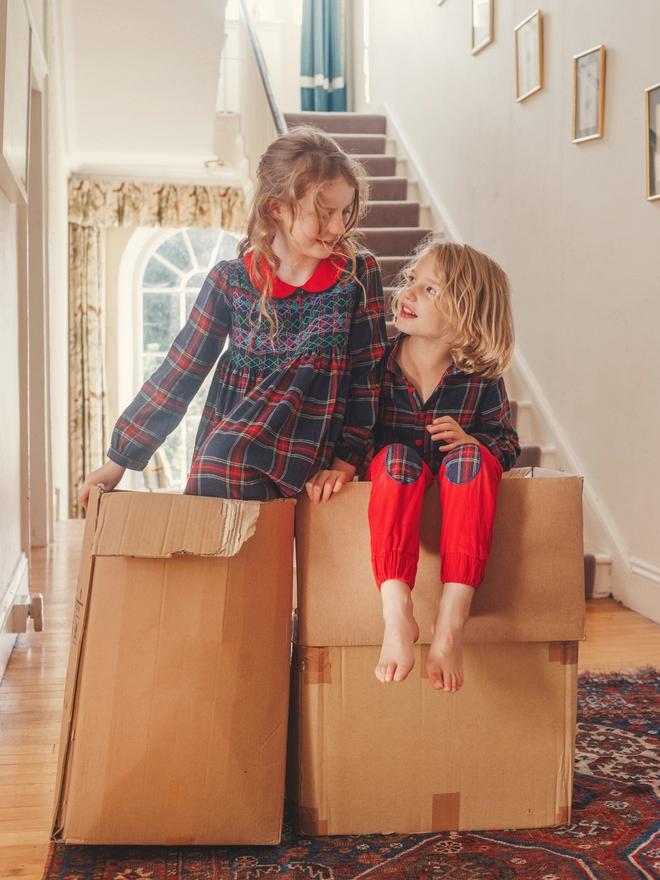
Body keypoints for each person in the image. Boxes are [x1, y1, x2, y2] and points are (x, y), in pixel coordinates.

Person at [78, 127, 387, 508]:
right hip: (235, 447)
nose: (339, 227)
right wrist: (119, 460)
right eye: (324, 214)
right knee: (219, 474)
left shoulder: (356, 275)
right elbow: (181, 370)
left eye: (345, 212)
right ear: (276, 208)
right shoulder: (231, 280)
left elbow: (368, 375)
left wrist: (347, 459)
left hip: (315, 444)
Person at [365, 237, 519, 693]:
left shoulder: (482, 380)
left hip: (459, 489)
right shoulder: (377, 365)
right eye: (412, 280)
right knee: (394, 458)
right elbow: (354, 433)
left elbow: (507, 444)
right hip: (398, 486)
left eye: (430, 290)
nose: (407, 292)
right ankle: (397, 614)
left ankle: (452, 619)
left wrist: (475, 441)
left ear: (466, 317)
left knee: (475, 456)